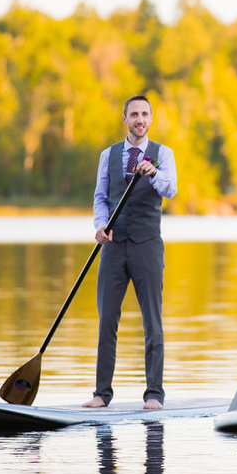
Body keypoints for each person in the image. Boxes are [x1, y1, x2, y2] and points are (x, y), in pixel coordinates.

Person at [83, 94, 177, 410]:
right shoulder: (107, 155)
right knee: (107, 319)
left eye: (145, 114)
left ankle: (154, 394)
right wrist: (99, 225)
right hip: (112, 246)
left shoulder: (163, 154)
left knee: (153, 320)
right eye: (134, 114)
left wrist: (153, 173)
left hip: (147, 246)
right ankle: (101, 394)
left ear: (151, 119)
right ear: (125, 119)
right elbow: (100, 198)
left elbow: (171, 189)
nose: (140, 119)